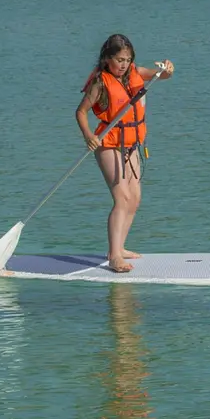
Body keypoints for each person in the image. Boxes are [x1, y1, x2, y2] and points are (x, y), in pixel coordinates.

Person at [75, 34, 173, 273]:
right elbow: (81, 112)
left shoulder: (136, 72)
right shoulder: (100, 82)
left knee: (135, 199)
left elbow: (162, 75)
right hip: (108, 144)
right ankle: (114, 256)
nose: (123, 64)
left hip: (132, 144)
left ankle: (119, 247)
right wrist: (88, 135)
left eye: (127, 60)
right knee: (122, 199)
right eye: (119, 59)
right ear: (107, 58)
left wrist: (168, 69)